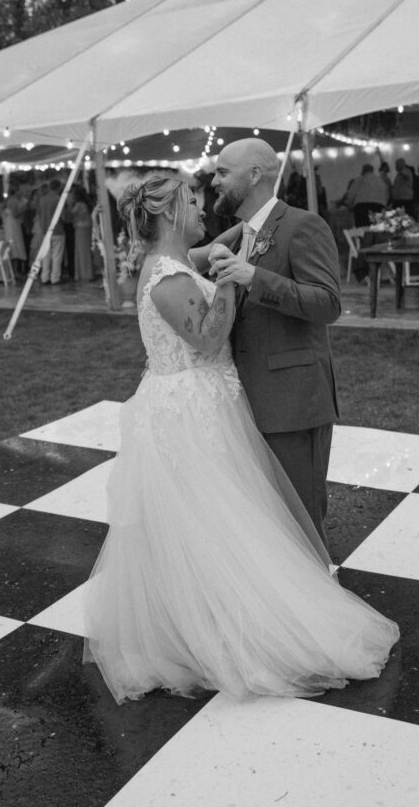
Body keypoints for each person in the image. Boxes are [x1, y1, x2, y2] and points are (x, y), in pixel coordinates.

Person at [82, 174, 399, 703]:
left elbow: (222, 242)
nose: (201, 206)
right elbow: (206, 339)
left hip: (203, 404)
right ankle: (226, 631)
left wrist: (244, 236)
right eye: (190, 201)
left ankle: (214, 618)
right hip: (190, 412)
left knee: (225, 517)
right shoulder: (165, 276)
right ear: (166, 214)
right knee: (215, 521)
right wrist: (232, 279)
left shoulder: (178, 259)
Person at [209, 137, 338, 545]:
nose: (213, 181)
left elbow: (328, 303)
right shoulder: (237, 236)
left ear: (255, 175)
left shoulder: (302, 225)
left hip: (292, 401)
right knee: (267, 519)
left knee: (300, 516)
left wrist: (255, 278)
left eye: (222, 172)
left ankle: (318, 596)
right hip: (248, 400)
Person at [37, 179, 66, 284]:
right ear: (58, 187)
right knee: (57, 255)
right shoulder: (58, 199)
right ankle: (55, 277)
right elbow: (63, 216)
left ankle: (44, 277)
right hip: (57, 230)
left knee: (46, 255)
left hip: (45, 230)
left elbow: (39, 215)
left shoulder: (42, 200)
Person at [344, 162, 388, 226]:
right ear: (372, 170)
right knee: (377, 228)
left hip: (361, 208)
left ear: (363, 171)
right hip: (378, 207)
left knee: (362, 230)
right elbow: (386, 195)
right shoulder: (380, 181)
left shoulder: (358, 180)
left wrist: (350, 206)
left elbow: (351, 195)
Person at [68, 184, 94, 282]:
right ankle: (86, 273)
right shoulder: (85, 204)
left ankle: (85, 274)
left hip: (81, 228)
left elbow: (70, 214)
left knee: (82, 251)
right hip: (86, 228)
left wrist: (69, 204)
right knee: (84, 250)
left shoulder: (79, 205)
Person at [1, 186, 27, 281]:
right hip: (13, 227)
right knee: (15, 248)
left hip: (9, 227)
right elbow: (16, 214)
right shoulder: (13, 201)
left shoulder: (7, 201)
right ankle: (16, 272)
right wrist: (23, 208)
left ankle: (14, 272)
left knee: (13, 248)